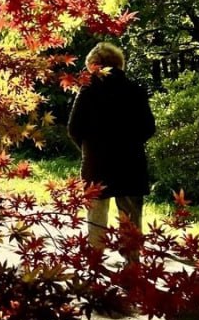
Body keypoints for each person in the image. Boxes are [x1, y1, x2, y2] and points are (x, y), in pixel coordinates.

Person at [66, 42, 156, 256]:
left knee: (96, 219)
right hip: (130, 162)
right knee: (131, 219)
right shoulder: (134, 90)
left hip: (96, 163)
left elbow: (73, 128)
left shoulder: (88, 91)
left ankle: (96, 262)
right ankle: (132, 264)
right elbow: (148, 127)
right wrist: (131, 143)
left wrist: (88, 148)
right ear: (118, 63)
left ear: (94, 64)